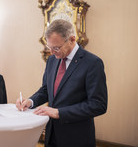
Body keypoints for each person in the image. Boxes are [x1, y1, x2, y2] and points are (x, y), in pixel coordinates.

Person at [16, 19, 107, 147]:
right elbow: (46, 90)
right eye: (49, 47)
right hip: (51, 134)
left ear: (72, 39)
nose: (52, 52)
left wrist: (59, 112)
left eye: (56, 48)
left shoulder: (92, 63)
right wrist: (30, 102)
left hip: (77, 138)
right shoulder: (52, 60)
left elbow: (98, 105)